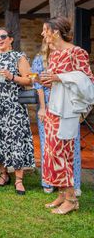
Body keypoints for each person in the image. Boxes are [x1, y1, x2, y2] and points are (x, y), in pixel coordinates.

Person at [39, 16, 94, 214]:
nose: (43, 34)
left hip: (67, 111)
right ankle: (62, 194)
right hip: (54, 108)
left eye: (45, 30)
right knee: (52, 153)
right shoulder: (54, 55)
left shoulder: (76, 52)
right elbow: (56, 80)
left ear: (55, 31)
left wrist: (59, 77)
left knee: (63, 153)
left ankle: (71, 199)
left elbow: (87, 80)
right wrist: (49, 81)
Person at [0, 28, 35, 195]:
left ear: (11, 39)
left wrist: (12, 77)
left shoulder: (19, 57)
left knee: (16, 141)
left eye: (3, 36)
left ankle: (19, 180)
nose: (0, 39)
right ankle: (4, 174)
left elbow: (30, 80)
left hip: (14, 107)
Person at [31, 40, 83, 196]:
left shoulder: (70, 57)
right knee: (48, 144)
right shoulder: (39, 59)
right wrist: (42, 107)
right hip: (48, 104)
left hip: (67, 105)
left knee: (71, 144)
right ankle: (49, 182)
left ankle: (75, 183)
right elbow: (37, 84)